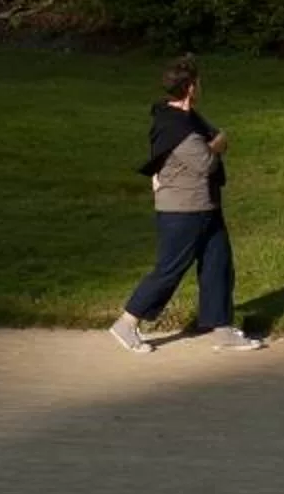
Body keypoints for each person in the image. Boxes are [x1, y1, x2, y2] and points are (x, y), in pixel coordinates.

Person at [109, 57, 264, 355]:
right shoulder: (175, 126)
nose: (201, 86)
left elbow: (210, 140)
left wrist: (215, 142)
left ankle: (222, 329)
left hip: (205, 206)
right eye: (199, 81)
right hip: (182, 211)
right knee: (169, 269)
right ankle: (127, 323)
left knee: (218, 264)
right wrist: (218, 145)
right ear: (191, 87)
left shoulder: (188, 118)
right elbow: (205, 161)